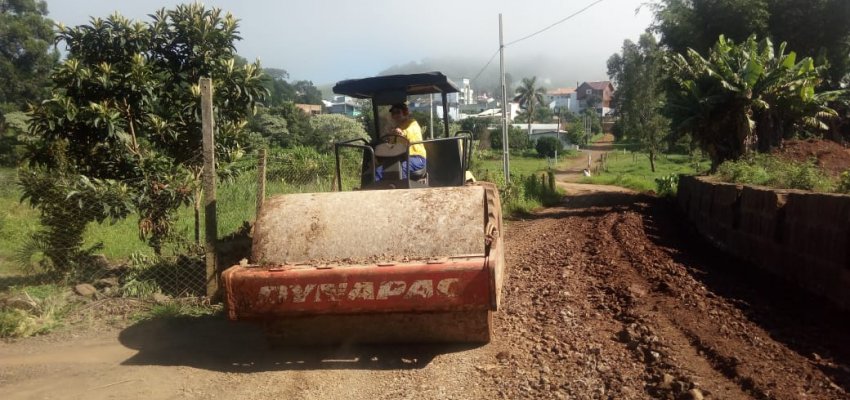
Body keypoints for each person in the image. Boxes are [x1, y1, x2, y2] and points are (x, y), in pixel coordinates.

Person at [375, 102, 427, 181]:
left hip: (416, 158)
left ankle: (402, 191)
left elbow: (409, 132)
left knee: (400, 169)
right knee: (379, 171)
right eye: (393, 113)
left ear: (405, 113)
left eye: (398, 112)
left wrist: (402, 132)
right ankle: (374, 190)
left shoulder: (412, 123)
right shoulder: (396, 128)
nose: (395, 115)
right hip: (401, 159)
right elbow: (391, 145)